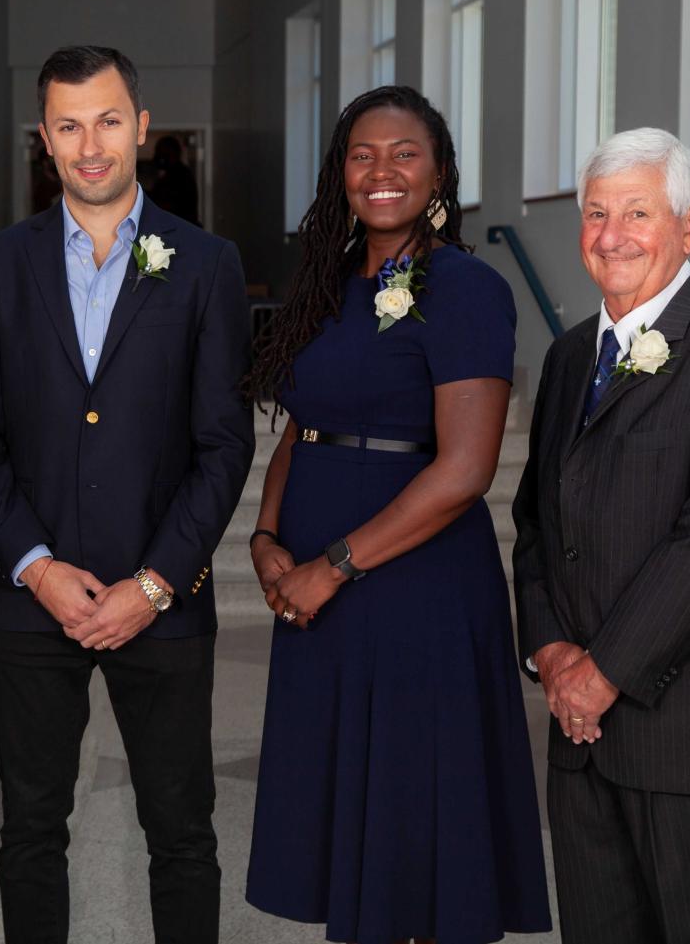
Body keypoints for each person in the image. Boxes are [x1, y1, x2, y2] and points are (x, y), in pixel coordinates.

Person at [0, 45, 253, 944]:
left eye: (109, 120)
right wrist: (36, 567)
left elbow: (223, 443)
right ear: (44, 138)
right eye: (70, 124)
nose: (92, 144)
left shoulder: (205, 264)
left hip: (159, 600)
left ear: (142, 126)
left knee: (182, 834)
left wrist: (155, 582)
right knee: (32, 832)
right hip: (29, 603)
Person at [242, 85, 551, 943]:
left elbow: (465, 468)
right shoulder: (327, 284)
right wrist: (268, 536)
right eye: (361, 154)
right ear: (340, 173)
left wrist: (331, 565)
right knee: (349, 818)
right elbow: (301, 424)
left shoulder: (466, 288)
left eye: (404, 153)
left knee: (419, 821)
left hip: (418, 591)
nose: (382, 171)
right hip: (316, 594)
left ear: (440, 171)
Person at [513, 127, 690, 944]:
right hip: (582, 734)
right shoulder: (570, 358)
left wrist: (603, 671)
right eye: (596, 212)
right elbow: (535, 519)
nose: (612, 235)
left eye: (637, 212)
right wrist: (554, 654)